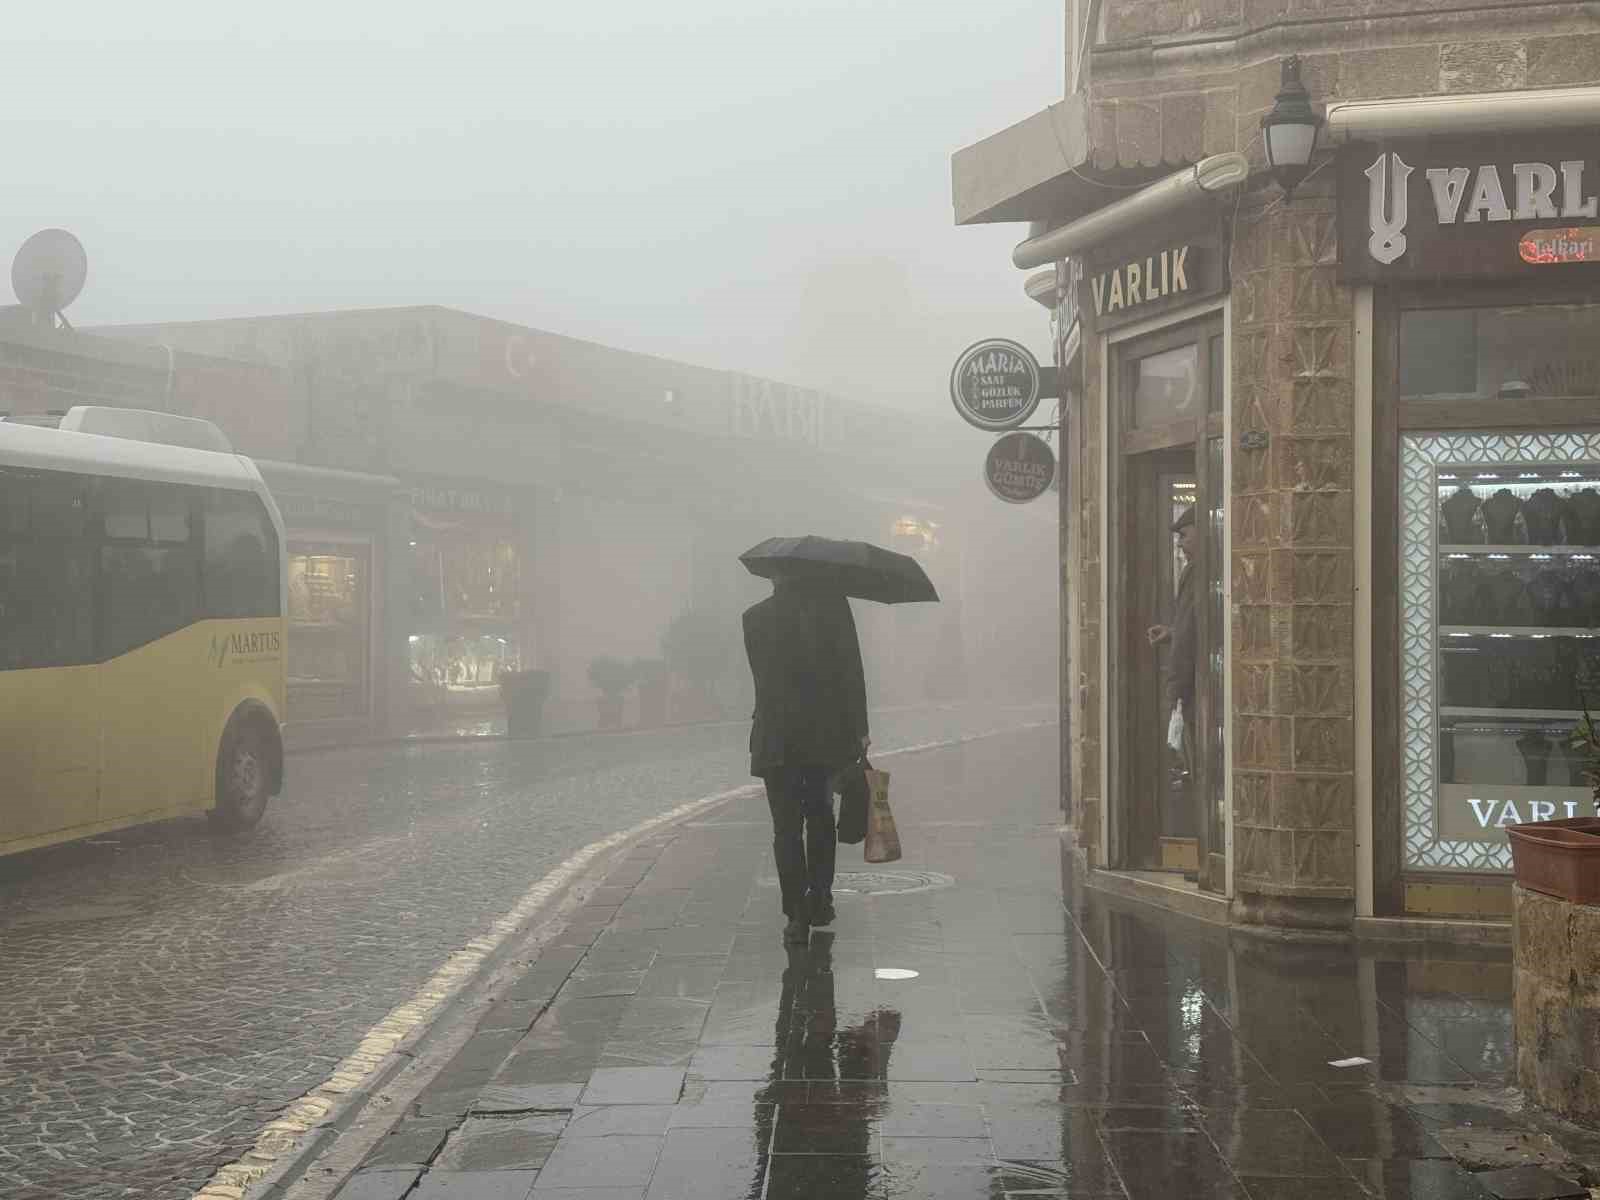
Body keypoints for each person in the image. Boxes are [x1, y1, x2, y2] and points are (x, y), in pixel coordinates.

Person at [743, 576, 870, 944]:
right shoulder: (833, 612)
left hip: (774, 737)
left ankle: (795, 914)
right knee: (820, 816)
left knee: (785, 828)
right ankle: (821, 897)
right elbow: (852, 673)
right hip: (822, 737)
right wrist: (859, 728)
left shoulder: (753, 618)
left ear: (772, 576)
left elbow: (762, 681)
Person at [1147, 506, 1198, 775]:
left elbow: (1189, 637)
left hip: (1194, 691)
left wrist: (1175, 691)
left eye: (1184, 536)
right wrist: (1172, 633)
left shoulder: (1195, 571)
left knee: (1192, 762)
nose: (1179, 544)